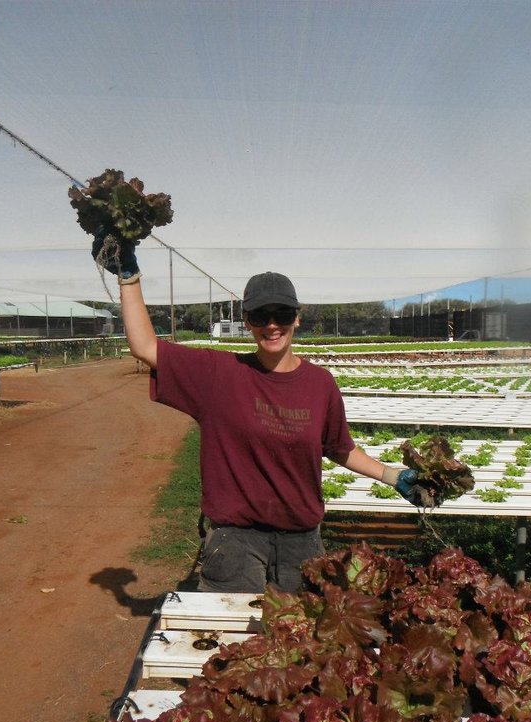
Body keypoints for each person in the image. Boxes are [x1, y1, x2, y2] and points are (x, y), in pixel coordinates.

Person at [92, 227, 426, 594]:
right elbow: (144, 346)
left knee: (304, 644)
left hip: (302, 540)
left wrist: (393, 476)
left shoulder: (320, 384)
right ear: (248, 321)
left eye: (282, 314)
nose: (272, 325)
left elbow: (338, 447)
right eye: (259, 316)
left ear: (297, 318)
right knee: (231, 642)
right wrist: (129, 277)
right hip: (235, 542)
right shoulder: (219, 375)